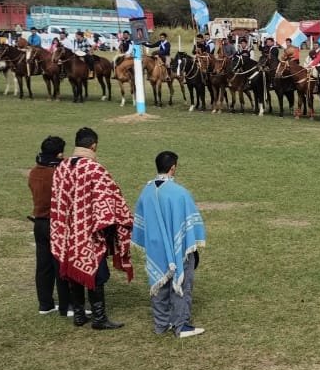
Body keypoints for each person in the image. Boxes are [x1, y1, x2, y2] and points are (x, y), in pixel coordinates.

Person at [50, 127, 133, 330]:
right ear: (93, 145)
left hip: (68, 232)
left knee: (73, 272)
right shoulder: (95, 170)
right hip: (89, 233)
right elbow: (112, 199)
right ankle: (99, 318)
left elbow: (58, 201)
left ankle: (79, 314)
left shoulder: (62, 167)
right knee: (97, 273)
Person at [132, 151, 206, 339]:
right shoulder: (179, 193)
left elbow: (140, 222)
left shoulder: (146, 191)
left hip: (155, 247)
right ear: (173, 167)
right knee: (181, 282)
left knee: (159, 283)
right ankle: (181, 325)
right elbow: (190, 223)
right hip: (177, 246)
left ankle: (161, 324)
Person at [29, 135, 70, 317]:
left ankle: (45, 304)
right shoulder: (56, 174)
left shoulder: (34, 172)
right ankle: (66, 305)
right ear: (59, 154)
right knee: (60, 265)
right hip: (55, 223)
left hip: (39, 222)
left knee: (43, 266)